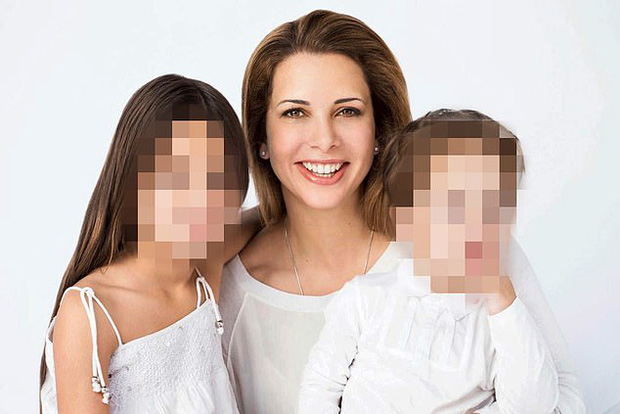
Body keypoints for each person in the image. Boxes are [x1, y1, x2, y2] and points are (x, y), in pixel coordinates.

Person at [219, 9, 585, 413]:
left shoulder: (466, 238)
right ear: (261, 138)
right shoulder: (228, 289)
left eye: (347, 111)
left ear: (378, 129)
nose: (324, 139)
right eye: (295, 112)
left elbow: (564, 401)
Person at [298, 109, 559, 413]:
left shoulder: (496, 327)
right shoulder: (365, 297)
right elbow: (321, 385)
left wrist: (502, 298)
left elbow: (534, 406)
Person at [39, 74, 253, 413]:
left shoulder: (202, 274)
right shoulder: (92, 313)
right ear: (134, 176)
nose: (200, 198)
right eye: (178, 176)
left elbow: (268, 215)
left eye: (217, 178)